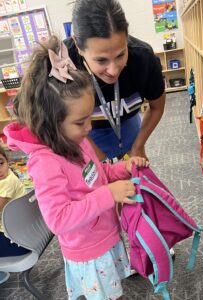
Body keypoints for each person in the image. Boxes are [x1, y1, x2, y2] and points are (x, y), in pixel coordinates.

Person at [4, 36, 148, 300]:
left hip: (106, 236)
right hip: (89, 251)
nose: (89, 128)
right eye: (80, 122)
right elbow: (59, 220)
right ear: (51, 123)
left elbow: (97, 177)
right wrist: (110, 195)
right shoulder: (45, 163)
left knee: (114, 291)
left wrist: (122, 170)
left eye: (89, 118)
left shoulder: (77, 141)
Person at [65, 0, 166, 162]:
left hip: (128, 128)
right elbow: (56, 124)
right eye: (101, 60)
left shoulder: (143, 58)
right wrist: (94, 157)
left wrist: (138, 146)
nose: (113, 71)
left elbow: (156, 107)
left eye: (120, 55)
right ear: (77, 45)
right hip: (83, 137)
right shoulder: (63, 65)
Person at [0, 145, 28, 284]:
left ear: (7, 159)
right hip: (25, 237)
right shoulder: (9, 174)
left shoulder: (6, 183)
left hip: (17, 243)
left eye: (0, 163)